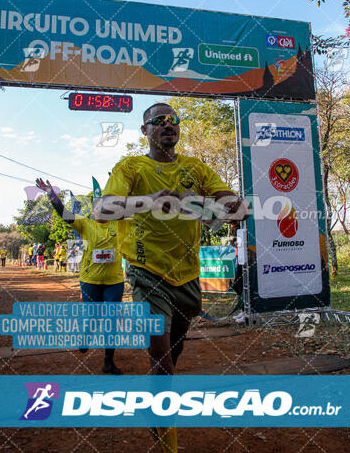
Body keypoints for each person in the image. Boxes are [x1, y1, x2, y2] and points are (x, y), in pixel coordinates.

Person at [100, 102, 248, 453]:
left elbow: (238, 209)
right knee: (160, 355)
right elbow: (101, 210)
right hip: (145, 273)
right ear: (145, 131)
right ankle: (166, 436)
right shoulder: (131, 167)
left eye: (173, 121)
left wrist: (206, 206)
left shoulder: (195, 169)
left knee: (171, 353)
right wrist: (148, 201)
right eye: (159, 121)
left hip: (186, 278)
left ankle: (157, 392)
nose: (168, 125)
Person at [36, 178, 124, 375]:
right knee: (92, 316)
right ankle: (86, 335)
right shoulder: (85, 224)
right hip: (90, 280)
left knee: (110, 320)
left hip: (114, 281)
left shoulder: (120, 226)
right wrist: (51, 194)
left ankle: (108, 362)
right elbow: (64, 214)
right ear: (93, 211)